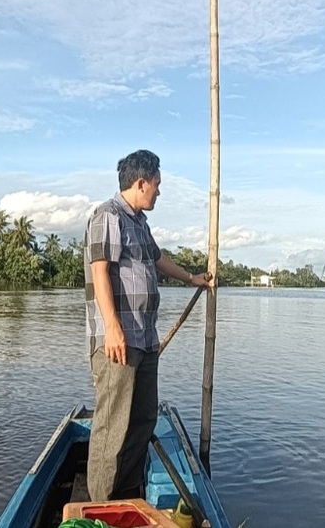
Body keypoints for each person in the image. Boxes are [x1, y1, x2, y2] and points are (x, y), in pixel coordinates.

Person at [84, 149, 212, 502]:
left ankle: (127, 494)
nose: (159, 191)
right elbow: (99, 272)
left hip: (144, 339)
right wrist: (113, 329)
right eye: (157, 184)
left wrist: (192, 278)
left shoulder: (140, 222)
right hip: (119, 341)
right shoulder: (108, 215)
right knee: (112, 427)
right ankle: (100, 507)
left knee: (142, 420)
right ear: (141, 183)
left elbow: (157, 259)